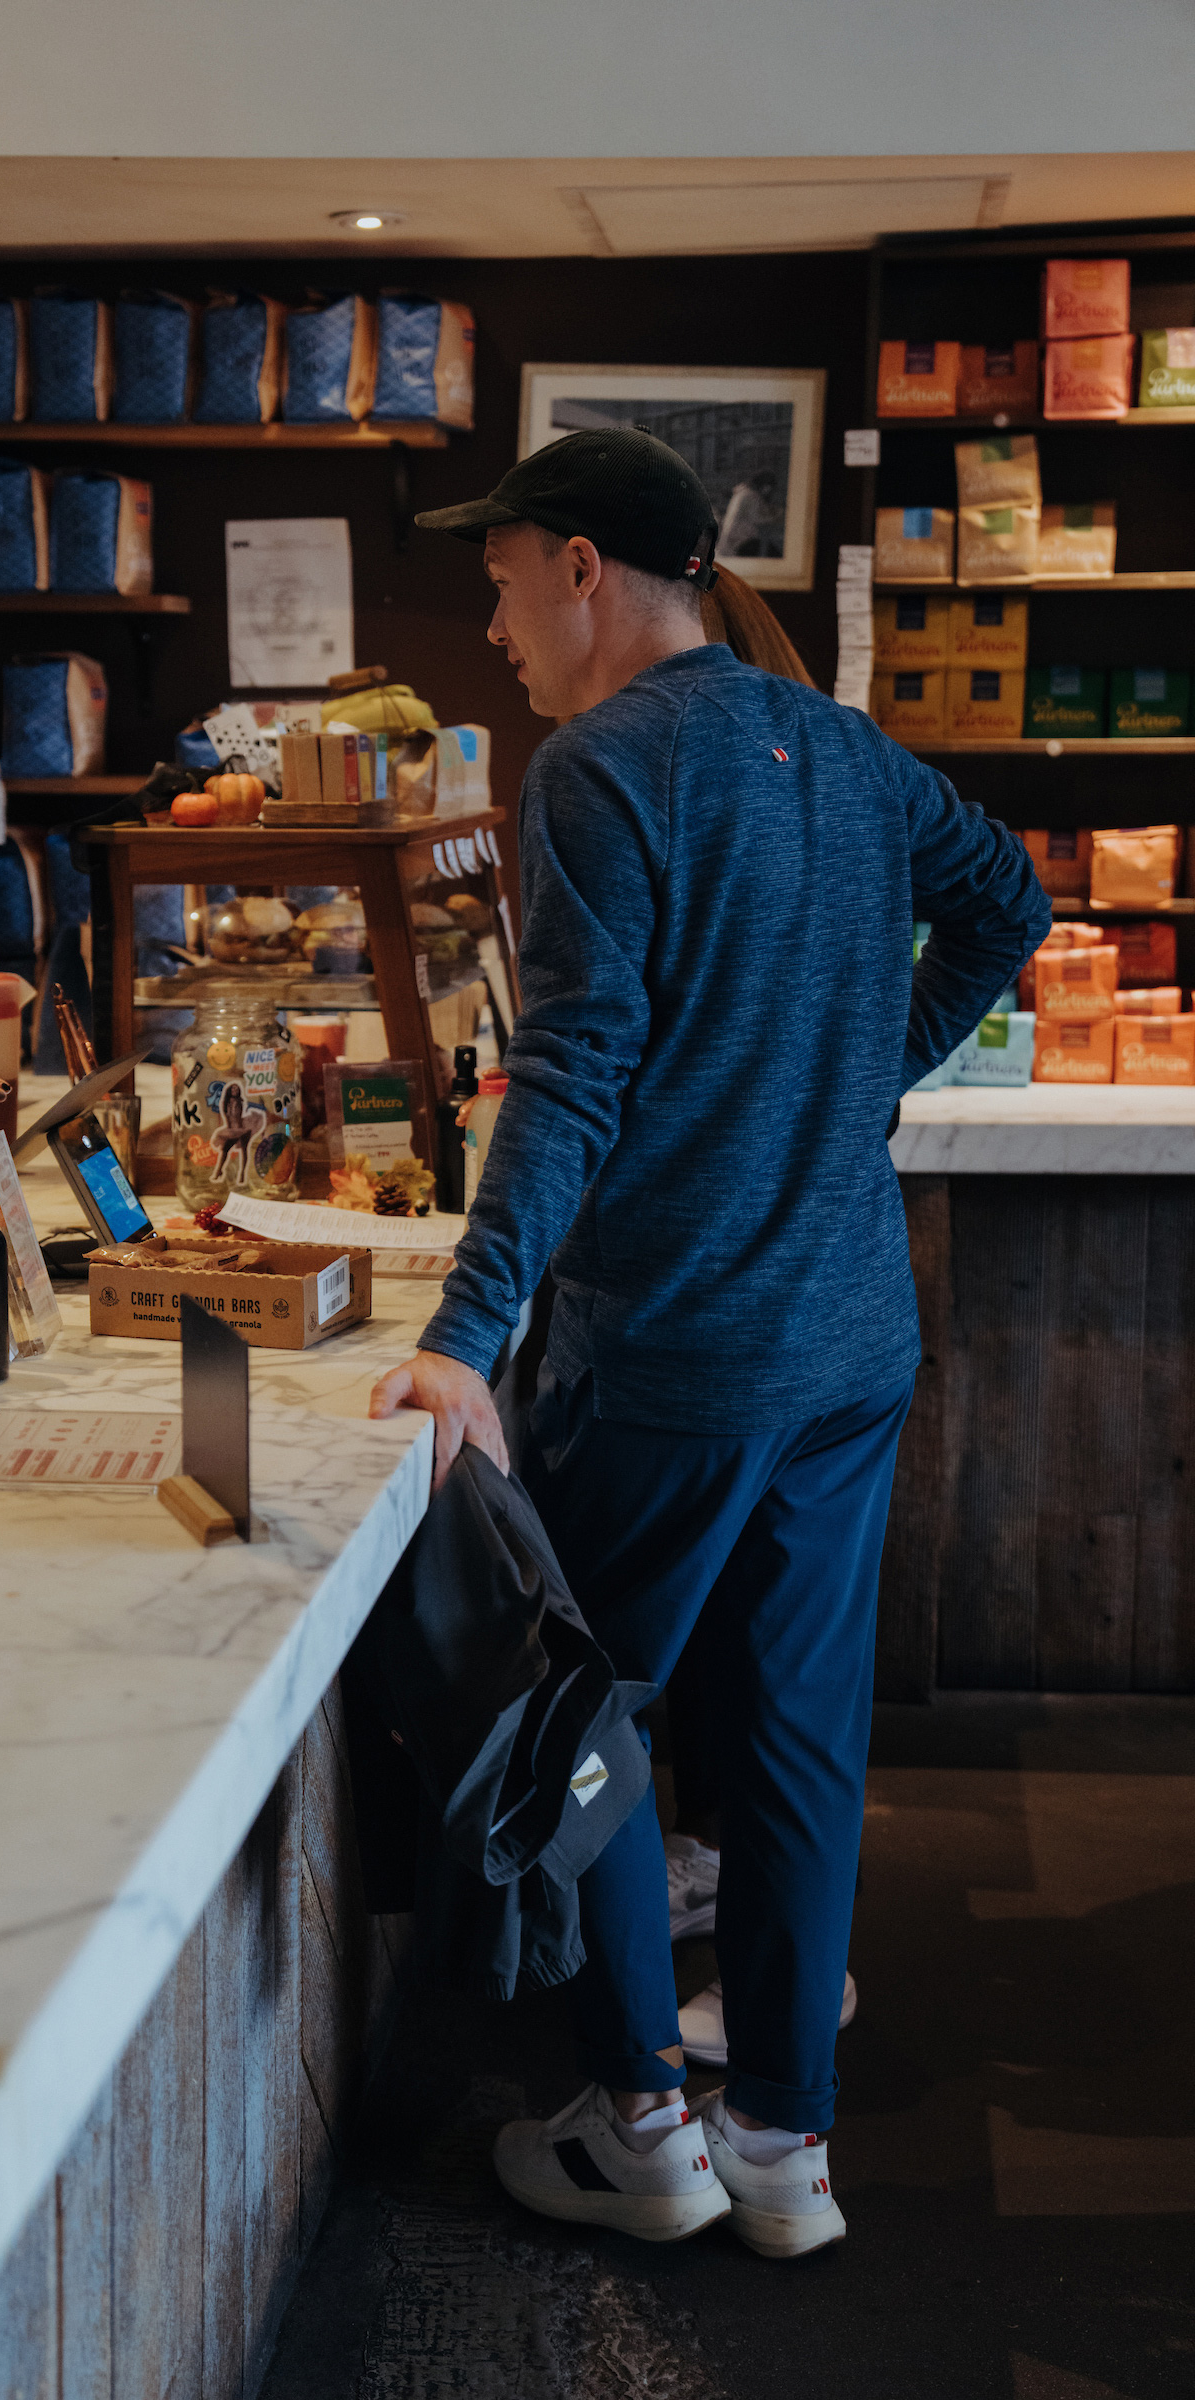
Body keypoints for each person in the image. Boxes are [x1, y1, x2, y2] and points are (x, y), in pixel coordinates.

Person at [369, 428, 1049, 2259]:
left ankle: (642, 2124)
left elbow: (574, 1066)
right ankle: (786, 2151)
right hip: (848, 1344)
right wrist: (856, 1080)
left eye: (502, 579)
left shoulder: (602, 766)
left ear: (583, 568)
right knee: (802, 1750)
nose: (495, 622)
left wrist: (466, 1331)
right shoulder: (842, 746)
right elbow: (1010, 899)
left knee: (582, 1714)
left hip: (675, 1351)